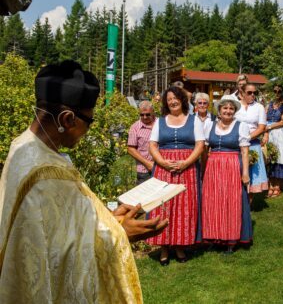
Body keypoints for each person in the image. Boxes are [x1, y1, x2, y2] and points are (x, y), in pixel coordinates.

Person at [0, 61, 168, 303]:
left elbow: (63, 228)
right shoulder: (45, 174)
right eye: (88, 122)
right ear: (67, 119)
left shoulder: (24, 147)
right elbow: (56, 260)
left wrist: (110, 219)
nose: (88, 129)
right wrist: (120, 235)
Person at [146, 86, 205, 265]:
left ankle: (180, 245)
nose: (172, 101)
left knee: (184, 206)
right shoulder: (160, 121)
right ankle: (164, 246)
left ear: (182, 100)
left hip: (186, 169)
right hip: (164, 169)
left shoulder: (194, 121)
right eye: (169, 99)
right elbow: (153, 145)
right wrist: (162, 162)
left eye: (175, 98)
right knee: (163, 206)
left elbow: (200, 144)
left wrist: (186, 162)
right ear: (165, 102)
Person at [201, 95, 252, 252]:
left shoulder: (241, 126)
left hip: (232, 165)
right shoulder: (209, 125)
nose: (228, 111)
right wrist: (203, 169)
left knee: (231, 201)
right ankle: (213, 236)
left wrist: (245, 173)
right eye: (225, 108)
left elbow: (244, 151)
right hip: (213, 166)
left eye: (231, 108)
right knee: (213, 200)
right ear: (219, 110)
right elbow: (204, 150)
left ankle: (231, 239)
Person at [235, 83, 268, 203]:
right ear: (242, 93)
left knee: (252, 176)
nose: (253, 95)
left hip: (253, 144)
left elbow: (261, 127)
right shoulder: (235, 106)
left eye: (255, 92)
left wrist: (246, 138)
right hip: (236, 145)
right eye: (249, 92)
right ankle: (237, 202)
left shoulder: (259, 107)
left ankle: (248, 205)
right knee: (238, 173)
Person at [262, 85, 283, 197]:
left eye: (279, 91)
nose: (277, 93)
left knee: (278, 158)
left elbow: (282, 123)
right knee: (269, 157)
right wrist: (265, 131)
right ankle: (270, 185)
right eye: (275, 91)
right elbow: (263, 118)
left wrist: (269, 127)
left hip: (279, 133)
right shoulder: (269, 105)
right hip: (268, 133)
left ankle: (277, 186)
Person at [128, 101, 156, 185]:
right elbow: (130, 149)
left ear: (153, 112)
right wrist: (147, 163)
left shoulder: (160, 124)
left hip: (162, 167)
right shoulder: (135, 127)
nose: (144, 117)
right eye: (141, 115)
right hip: (144, 170)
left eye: (147, 114)